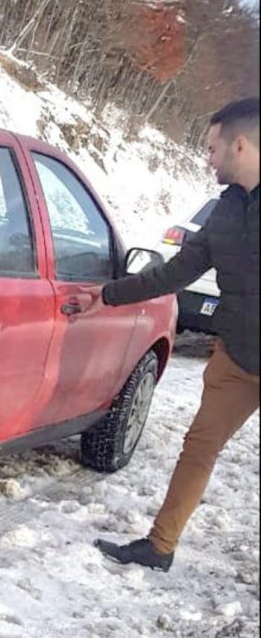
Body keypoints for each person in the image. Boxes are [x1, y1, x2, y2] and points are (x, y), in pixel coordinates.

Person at [86, 96, 259, 572]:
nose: (207, 158)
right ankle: (160, 546)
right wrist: (109, 294)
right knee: (199, 448)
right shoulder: (225, 211)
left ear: (238, 145)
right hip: (239, 359)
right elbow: (177, 272)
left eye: (211, 148)